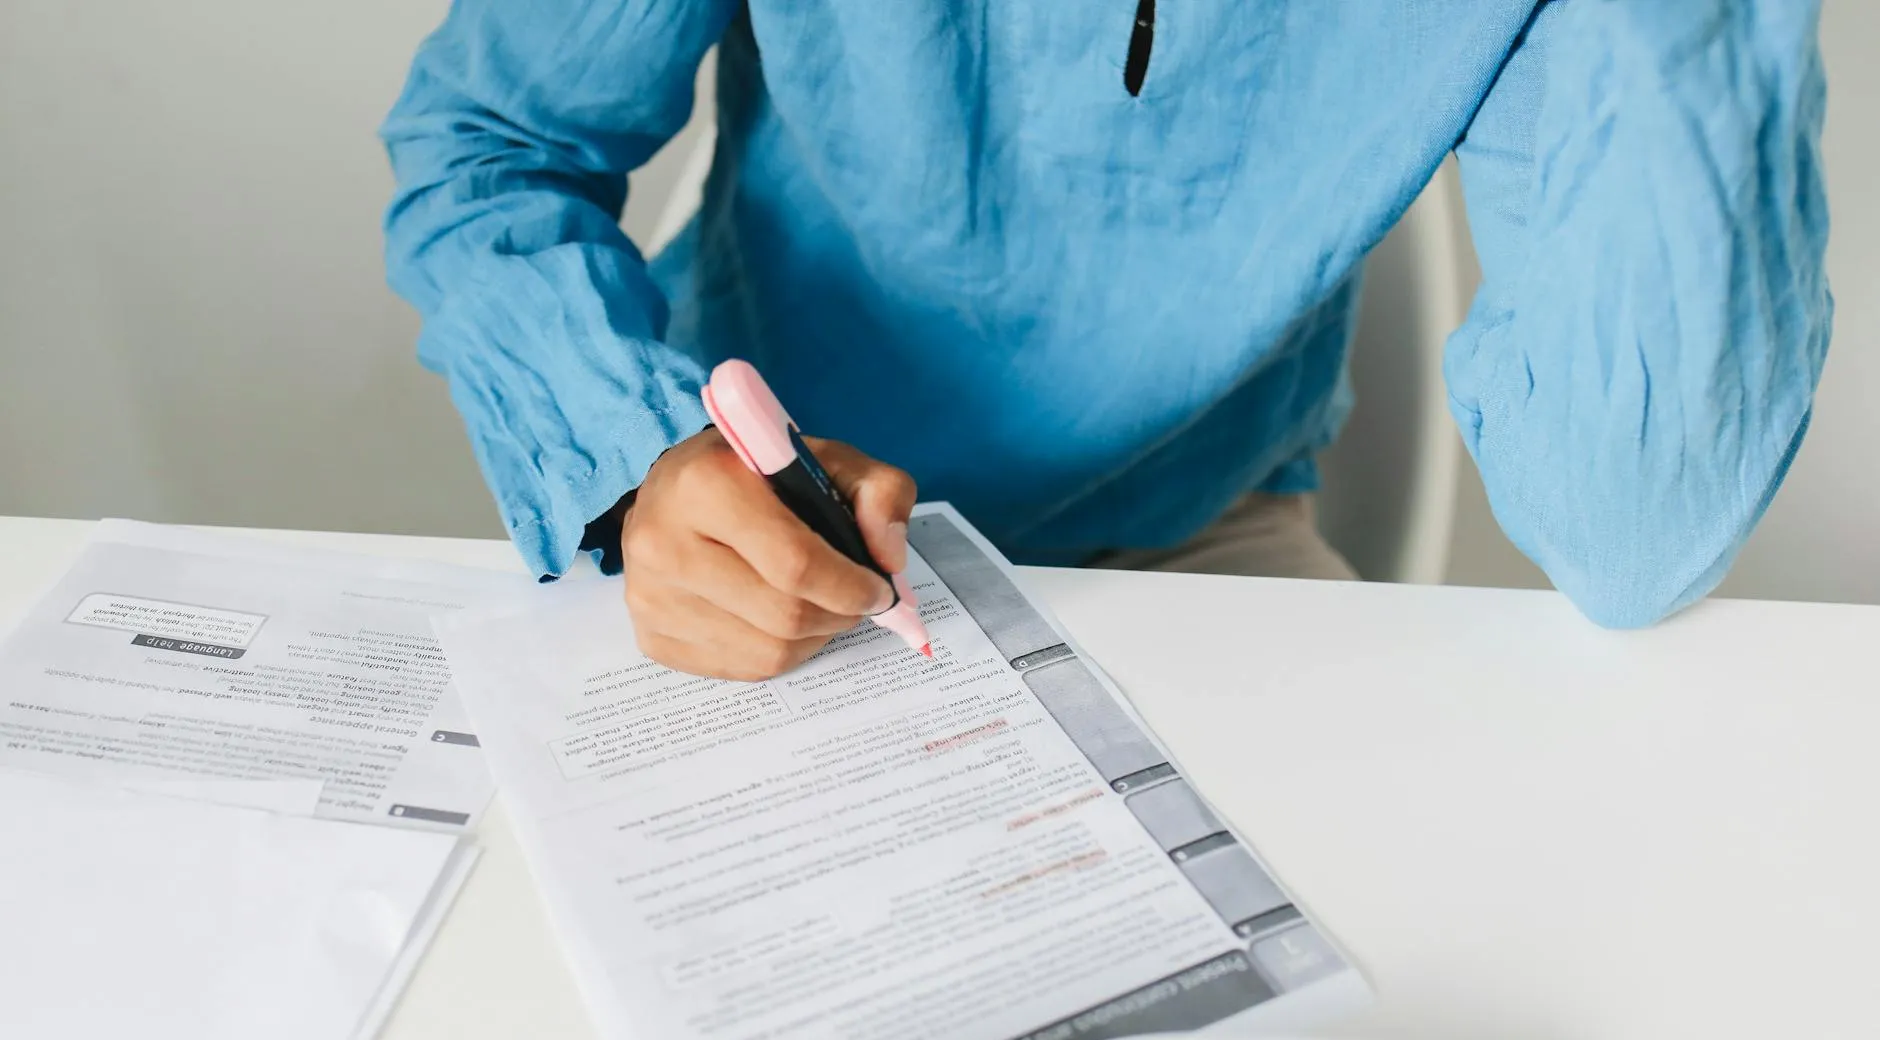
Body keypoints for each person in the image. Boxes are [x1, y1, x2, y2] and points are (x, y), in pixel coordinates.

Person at [382, 1, 1831, 681]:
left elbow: (1638, 525)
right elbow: (493, 144)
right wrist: (637, 464)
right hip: (755, 517)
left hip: (1206, 535)